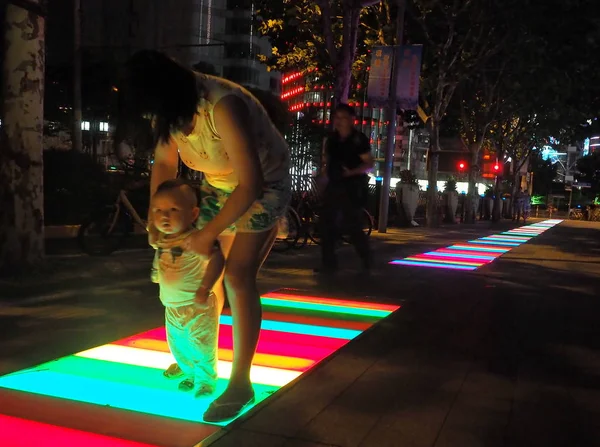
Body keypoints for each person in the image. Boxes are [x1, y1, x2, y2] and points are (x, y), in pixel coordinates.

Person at [115, 50, 291, 422]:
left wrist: (208, 232)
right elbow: (164, 162)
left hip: (264, 186)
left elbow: (251, 183)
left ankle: (241, 382)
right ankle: (197, 358)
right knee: (200, 272)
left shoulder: (222, 106)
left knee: (236, 276)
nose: (152, 119)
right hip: (221, 187)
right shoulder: (168, 110)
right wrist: (154, 215)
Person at [151, 179, 224, 398]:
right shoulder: (163, 239)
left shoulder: (195, 239)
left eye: (173, 210)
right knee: (178, 346)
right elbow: (160, 257)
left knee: (202, 346)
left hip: (197, 306)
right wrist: (156, 272)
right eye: (158, 210)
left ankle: (205, 382)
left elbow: (218, 259)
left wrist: (205, 287)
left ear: (192, 214)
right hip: (172, 307)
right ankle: (190, 373)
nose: (165, 216)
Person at [317, 103, 374, 275]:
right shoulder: (332, 139)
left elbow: (369, 163)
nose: (339, 121)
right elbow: (327, 161)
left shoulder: (359, 140)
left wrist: (352, 172)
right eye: (337, 117)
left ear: (351, 120)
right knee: (326, 224)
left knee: (352, 226)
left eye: (343, 118)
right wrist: (323, 178)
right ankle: (329, 264)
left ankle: (366, 259)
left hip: (352, 187)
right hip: (334, 184)